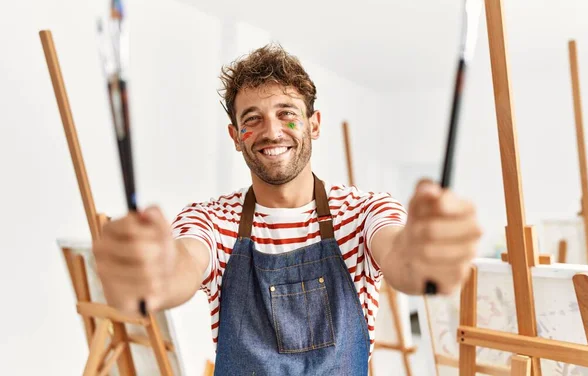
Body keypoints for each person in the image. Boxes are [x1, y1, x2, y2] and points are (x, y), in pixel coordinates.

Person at [94, 44, 482, 375]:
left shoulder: (363, 212)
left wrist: (426, 254)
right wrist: (152, 274)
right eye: (252, 119)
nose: (272, 131)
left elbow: (402, 257)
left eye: (286, 113)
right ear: (235, 137)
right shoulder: (212, 220)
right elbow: (179, 265)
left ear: (314, 124)